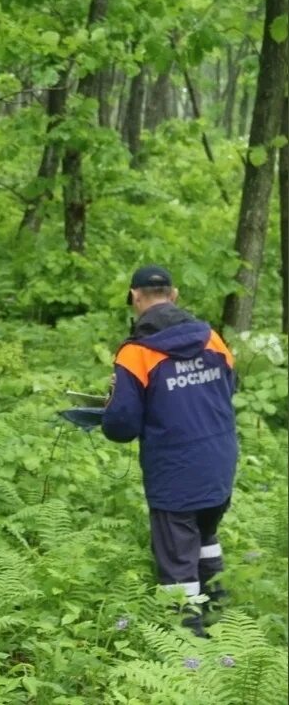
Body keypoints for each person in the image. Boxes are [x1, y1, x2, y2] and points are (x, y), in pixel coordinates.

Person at [102, 264, 237, 637]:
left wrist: (112, 408)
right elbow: (229, 386)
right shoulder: (212, 339)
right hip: (219, 462)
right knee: (205, 537)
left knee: (177, 561)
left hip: (175, 471)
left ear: (135, 297)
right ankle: (222, 621)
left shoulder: (136, 354)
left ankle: (187, 647)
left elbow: (121, 426)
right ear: (174, 295)